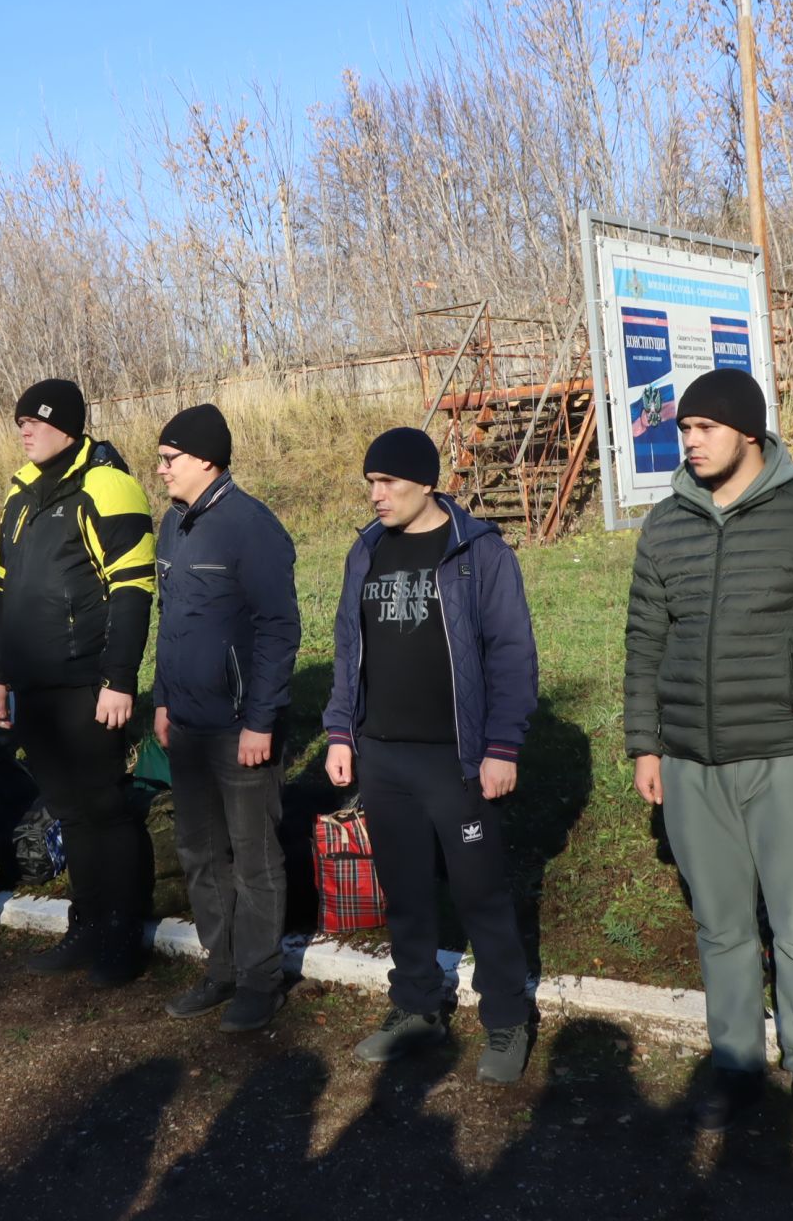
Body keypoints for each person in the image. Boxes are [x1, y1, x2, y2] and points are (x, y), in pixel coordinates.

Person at [623, 369, 793, 1146]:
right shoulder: (666, 524)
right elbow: (645, 640)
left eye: (705, 427)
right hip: (693, 761)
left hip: (790, 752)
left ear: (747, 431)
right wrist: (646, 743)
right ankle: (734, 1062)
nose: (692, 441)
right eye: (685, 430)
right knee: (722, 926)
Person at [323, 427, 539, 1085]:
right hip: (384, 756)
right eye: (370, 483)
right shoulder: (366, 549)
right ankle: (416, 1005)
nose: (376, 494)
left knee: (480, 892)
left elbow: (512, 651)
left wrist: (502, 746)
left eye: (387, 482)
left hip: (458, 758)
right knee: (407, 894)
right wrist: (340, 731)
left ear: (425, 482)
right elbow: (345, 647)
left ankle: (506, 1018)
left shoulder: (477, 551)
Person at [0, 379, 156, 986]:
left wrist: (119, 679)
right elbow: (4, 590)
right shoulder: (22, 492)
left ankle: (123, 934)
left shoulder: (106, 484)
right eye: (19, 421)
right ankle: (87, 926)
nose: (25, 429)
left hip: (88, 682)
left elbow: (134, 589)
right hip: (34, 686)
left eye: (35, 419)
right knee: (70, 812)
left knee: (106, 810)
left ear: (68, 425)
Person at [151, 404, 301, 1032]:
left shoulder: (251, 526)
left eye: (169, 458)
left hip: (241, 727)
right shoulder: (173, 526)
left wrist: (260, 722)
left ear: (206, 459)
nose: (159, 470)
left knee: (254, 856)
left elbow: (279, 629)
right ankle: (221, 966)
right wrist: (160, 699)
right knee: (200, 854)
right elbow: (171, 621)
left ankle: (260, 979)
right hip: (184, 723)